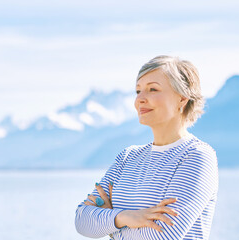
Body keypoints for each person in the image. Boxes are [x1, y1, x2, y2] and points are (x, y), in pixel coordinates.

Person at [75, 55, 219, 240]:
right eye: (137, 91)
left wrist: (109, 224)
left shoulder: (197, 156)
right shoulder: (127, 157)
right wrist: (125, 217)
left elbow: (161, 236)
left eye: (152, 89)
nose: (140, 99)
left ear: (182, 99)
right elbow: (82, 221)